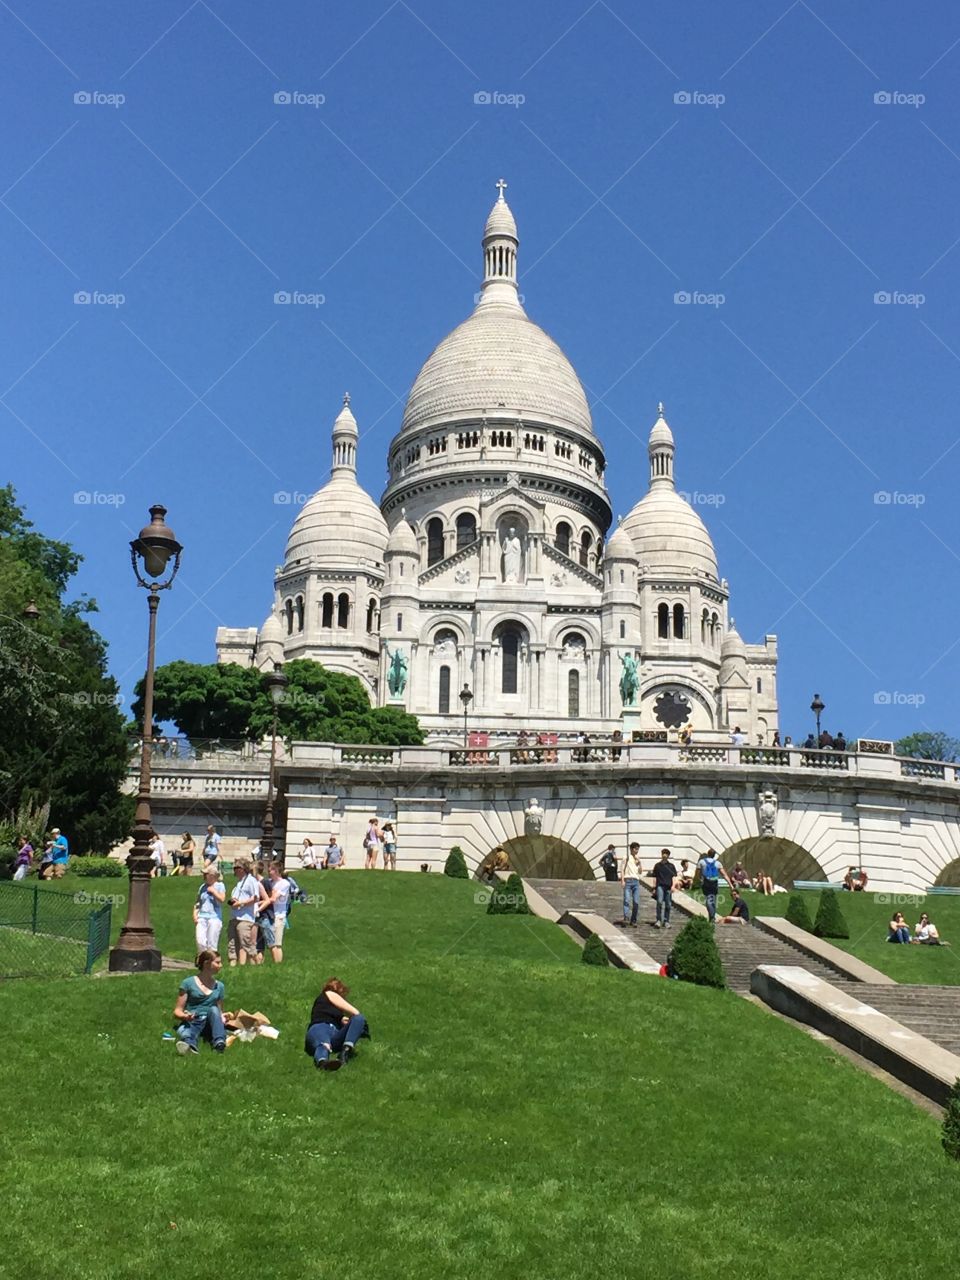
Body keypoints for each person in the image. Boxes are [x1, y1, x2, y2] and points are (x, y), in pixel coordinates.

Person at [173, 950, 230, 1055]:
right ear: (207, 963)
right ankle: (189, 1045)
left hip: (210, 1022)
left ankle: (219, 1042)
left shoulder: (220, 986)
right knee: (188, 1029)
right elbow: (177, 1011)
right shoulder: (188, 983)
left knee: (213, 1009)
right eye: (217, 962)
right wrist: (185, 1017)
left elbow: (219, 1011)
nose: (221, 965)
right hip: (194, 1019)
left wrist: (223, 1016)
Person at [304, 977, 367, 1071]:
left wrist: (343, 1020)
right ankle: (323, 1062)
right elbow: (355, 1012)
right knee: (324, 1044)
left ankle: (345, 1052)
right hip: (321, 1027)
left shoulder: (335, 1011)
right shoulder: (328, 994)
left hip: (335, 1033)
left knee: (359, 1019)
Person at [227, 859, 266, 966]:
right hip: (234, 916)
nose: (234, 870)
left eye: (236, 868)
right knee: (232, 943)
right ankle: (233, 965)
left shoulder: (251, 881)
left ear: (242, 869)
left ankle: (257, 963)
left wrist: (240, 904)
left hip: (245, 918)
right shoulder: (238, 883)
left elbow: (255, 898)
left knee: (246, 944)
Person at [261, 861, 292, 963]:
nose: (270, 871)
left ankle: (278, 965)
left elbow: (273, 898)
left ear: (278, 871)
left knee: (277, 944)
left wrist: (259, 904)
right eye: (269, 869)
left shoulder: (284, 883)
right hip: (269, 915)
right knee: (270, 943)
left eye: (272, 869)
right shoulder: (268, 882)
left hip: (279, 916)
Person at [194, 866, 226, 952]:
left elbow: (222, 899)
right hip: (202, 916)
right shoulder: (202, 887)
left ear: (212, 875)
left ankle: (212, 962)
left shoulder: (220, 885)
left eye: (206, 874)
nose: (204, 876)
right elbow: (198, 902)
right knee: (200, 941)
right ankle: (203, 959)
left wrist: (213, 891)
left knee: (212, 944)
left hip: (214, 917)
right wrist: (195, 914)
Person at [697, 847, 732, 924]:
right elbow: (724, 875)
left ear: (708, 854)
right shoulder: (718, 863)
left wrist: (699, 880)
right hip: (714, 883)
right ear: (714, 855)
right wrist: (730, 885)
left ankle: (712, 917)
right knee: (713, 900)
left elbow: (698, 874)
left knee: (709, 900)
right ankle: (712, 917)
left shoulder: (702, 862)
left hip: (706, 882)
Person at [618, 841, 643, 928]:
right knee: (627, 900)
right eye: (636, 849)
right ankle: (626, 917)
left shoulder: (637, 859)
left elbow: (640, 871)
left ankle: (633, 920)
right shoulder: (626, 857)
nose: (637, 851)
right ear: (632, 849)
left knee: (636, 902)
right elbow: (622, 869)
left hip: (636, 881)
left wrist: (639, 863)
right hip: (628, 880)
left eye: (638, 849)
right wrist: (622, 880)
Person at [652, 848, 677, 929]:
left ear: (668, 856)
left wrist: (673, 886)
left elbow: (673, 877)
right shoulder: (657, 865)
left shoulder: (671, 866)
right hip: (660, 886)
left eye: (666, 853)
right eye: (663, 853)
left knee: (668, 904)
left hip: (668, 887)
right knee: (659, 902)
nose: (664, 855)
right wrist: (654, 887)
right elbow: (655, 877)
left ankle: (666, 921)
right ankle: (658, 920)